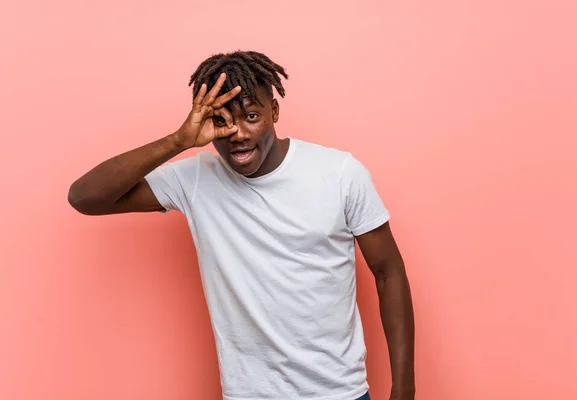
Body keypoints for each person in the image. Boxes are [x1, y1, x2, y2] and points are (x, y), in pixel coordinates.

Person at [68, 50, 415, 400]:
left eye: (251, 115)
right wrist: (178, 141)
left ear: (274, 112)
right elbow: (85, 197)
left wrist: (404, 389)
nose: (237, 133)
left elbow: (388, 272)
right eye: (222, 120)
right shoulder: (196, 180)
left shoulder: (341, 173)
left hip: (339, 393)